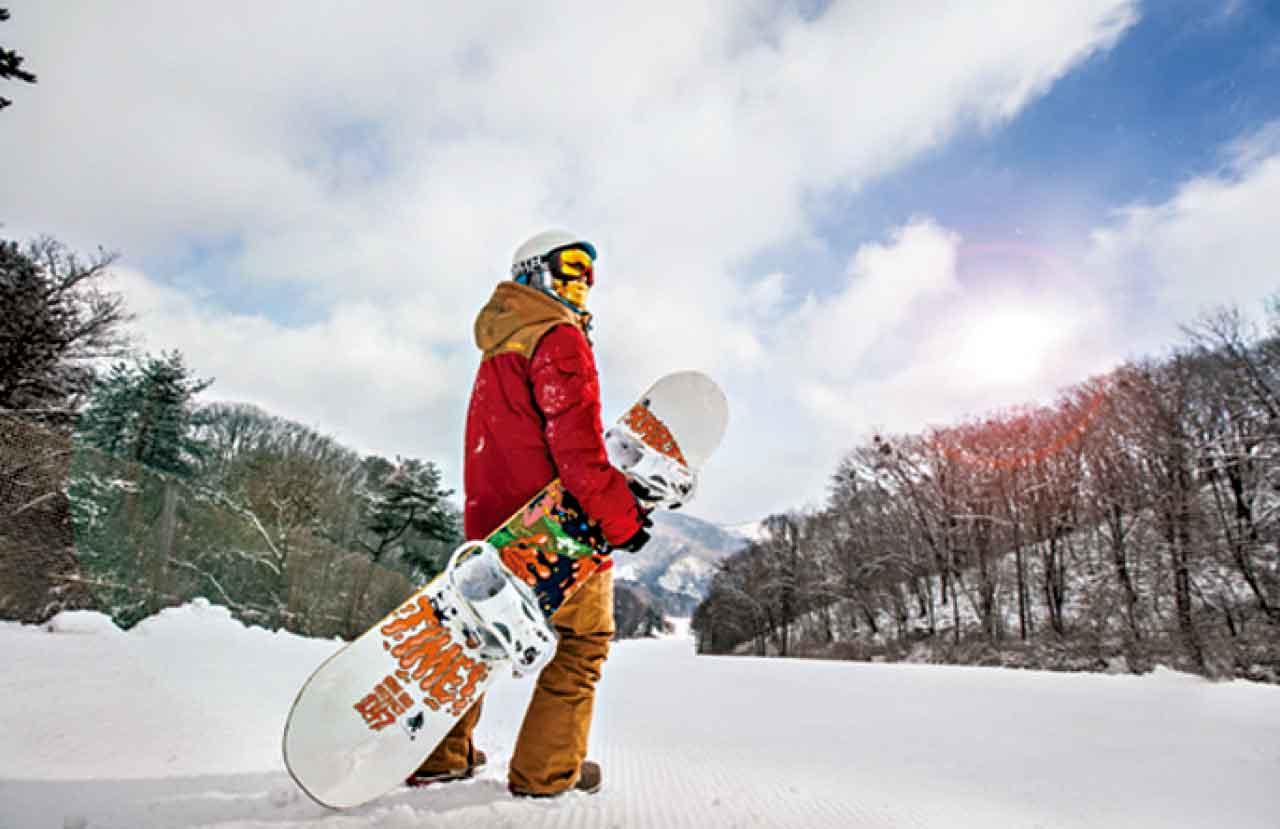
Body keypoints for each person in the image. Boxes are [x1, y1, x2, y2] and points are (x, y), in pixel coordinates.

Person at [406, 229, 652, 797]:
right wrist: (624, 522)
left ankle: (444, 754)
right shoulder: (559, 336)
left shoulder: (500, 344)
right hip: (555, 530)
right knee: (583, 644)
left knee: (479, 635)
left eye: (590, 274)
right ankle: (548, 772)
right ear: (533, 272)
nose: (582, 283)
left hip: (494, 528)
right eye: (570, 267)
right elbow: (581, 455)